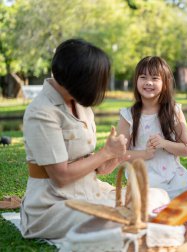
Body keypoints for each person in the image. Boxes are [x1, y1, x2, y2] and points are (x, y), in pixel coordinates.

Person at [21, 39, 169, 239]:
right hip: (54, 203)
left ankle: (134, 222)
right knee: (112, 220)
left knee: (158, 196)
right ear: (78, 78)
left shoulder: (81, 104)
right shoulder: (42, 112)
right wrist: (105, 152)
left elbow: (101, 169)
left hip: (91, 190)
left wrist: (116, 155)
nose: (98, 86)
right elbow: (61, 177)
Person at [118, 56, 187, 199]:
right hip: (144, 176)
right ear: (136, 81)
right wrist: (144, 154)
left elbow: (186, 149)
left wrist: (164, 143)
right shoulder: (128, 115)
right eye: (143, 77)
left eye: (155, 78)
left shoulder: (174, 111)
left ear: (165, 83)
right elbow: (120, 155)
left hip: (174, 175)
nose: (148, 82)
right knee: (153, 199)